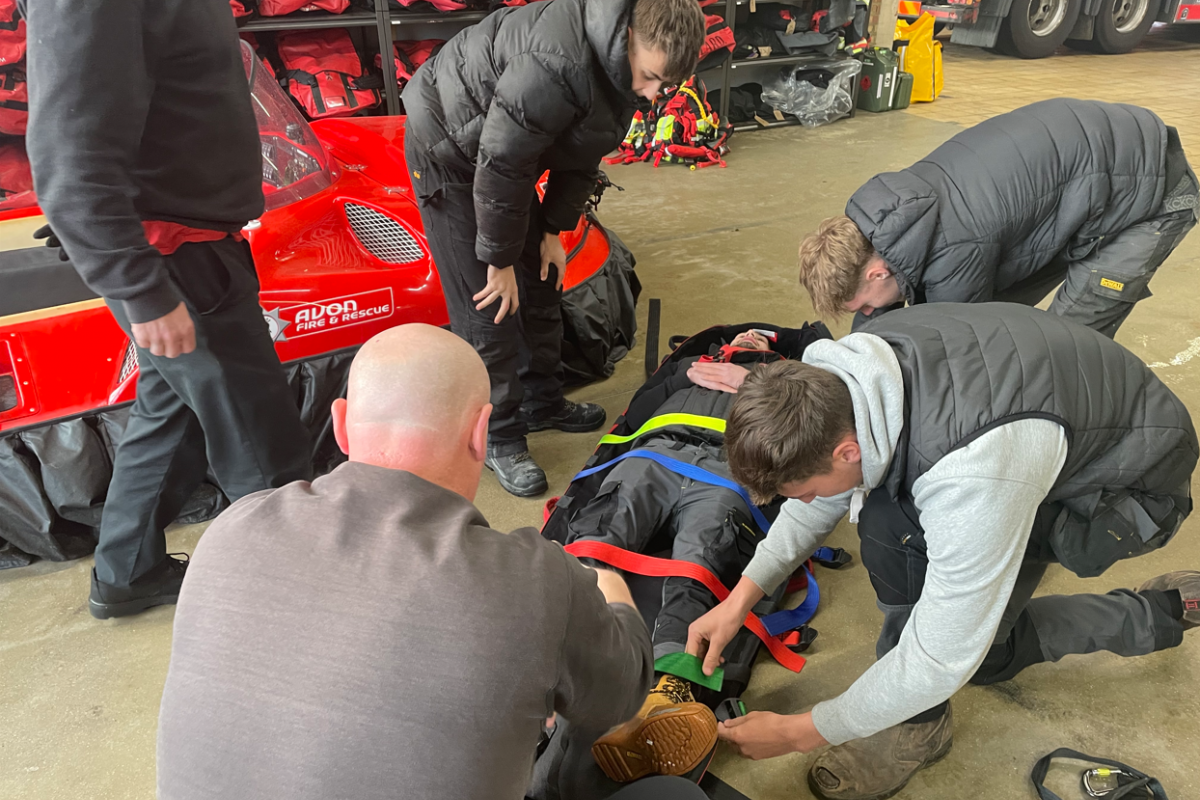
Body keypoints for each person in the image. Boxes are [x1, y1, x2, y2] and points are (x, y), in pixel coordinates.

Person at [685, 303, 1200, 800]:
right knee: (886, 517)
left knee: (981, 653)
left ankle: (1162, 611)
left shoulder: (973, 476)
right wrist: (739, 601)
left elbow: (940, 658)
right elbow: (821, 497)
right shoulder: (848, 379)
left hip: (1126, 488)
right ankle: (914, 708)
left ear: (847, 450)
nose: (809, 503)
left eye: (807, 489)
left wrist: (803, 731)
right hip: (1055, 426)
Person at [157, 324, 658, 800]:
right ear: (480, 433)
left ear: (340, 425)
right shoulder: (537, 581)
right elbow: (622, 695)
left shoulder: (232, 528)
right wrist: (609, 589)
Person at [23, 0, 312, 618]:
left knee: (170, 417)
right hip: (175, 255)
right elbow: (67, 147)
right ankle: (302, 608)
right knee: (261, 441)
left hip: (190, 245)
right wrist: (139, 285)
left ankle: (127, 571)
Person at [402, 0, 706, 497]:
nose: (652, 94)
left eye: (664, 85)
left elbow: (585, 150)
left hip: (507, 147)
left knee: (542, 278)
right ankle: (499, 437)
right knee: (488, 303)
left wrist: (551, 231)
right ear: (627, 35)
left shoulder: (623, 66)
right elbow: (501, 162)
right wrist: (497, 259)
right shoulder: (555, 61)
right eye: (650, 77)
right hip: (449, 145)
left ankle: (542, 400)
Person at [564, 329, 788, 783]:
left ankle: (666, 692)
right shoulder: (685, 372)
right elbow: (633, 418)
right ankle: (556, 650)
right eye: (742, 333)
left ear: (774, 351)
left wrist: (761, 385)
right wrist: (677, 377)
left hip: (728, 473)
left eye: (759, 335)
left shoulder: (785, 383)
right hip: (655, 456)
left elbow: (799, 435)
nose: (748, 334)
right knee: (594, 544)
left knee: (699, 567)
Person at [797, 98, 1199, 337]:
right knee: (1000, 313)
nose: (868, 314)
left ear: (875, 273)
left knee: (1063, 343)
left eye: (862, 307)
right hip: (1084, 182)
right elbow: (893, 315)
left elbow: (957, 346)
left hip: (1150, 189)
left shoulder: (956, 247)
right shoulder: (888, 218)